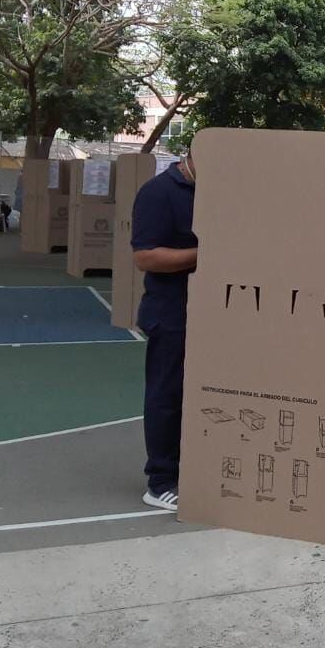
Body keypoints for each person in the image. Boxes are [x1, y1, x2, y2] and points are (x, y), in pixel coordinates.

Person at [131, 152, 198, 512]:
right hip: (170, 312)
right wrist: (204, 253)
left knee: (195, 395)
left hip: (206, 312)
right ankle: (160, 482)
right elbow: (145, 257)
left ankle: (189, 470)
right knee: (167, 394)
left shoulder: (214, 192)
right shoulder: (158, 192)